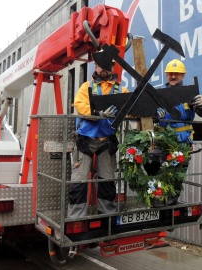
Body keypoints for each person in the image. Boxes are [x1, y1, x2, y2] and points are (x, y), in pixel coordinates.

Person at [68, 52, 129, 218]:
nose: (104, 69)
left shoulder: (121, 89)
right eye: (101, 65)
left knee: (107, 181)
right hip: (86, 140)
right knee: (79, 183)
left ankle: (106, 218)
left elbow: (130, 108)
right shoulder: (86, 87)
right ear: (96, 66)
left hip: (106, 141)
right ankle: (75, 218)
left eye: (107, 65)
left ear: (112, 67)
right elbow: (80, 106)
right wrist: (98, 113)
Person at [157, 59, 202, 146]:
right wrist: (156, 116)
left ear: (183, 75)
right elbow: (150, 117)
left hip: (184, 142)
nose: (173, 76)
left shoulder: (190, 93)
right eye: (170, 74)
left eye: (177, 74)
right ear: (166, 75)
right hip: (164, 141)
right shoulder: (158, 94)